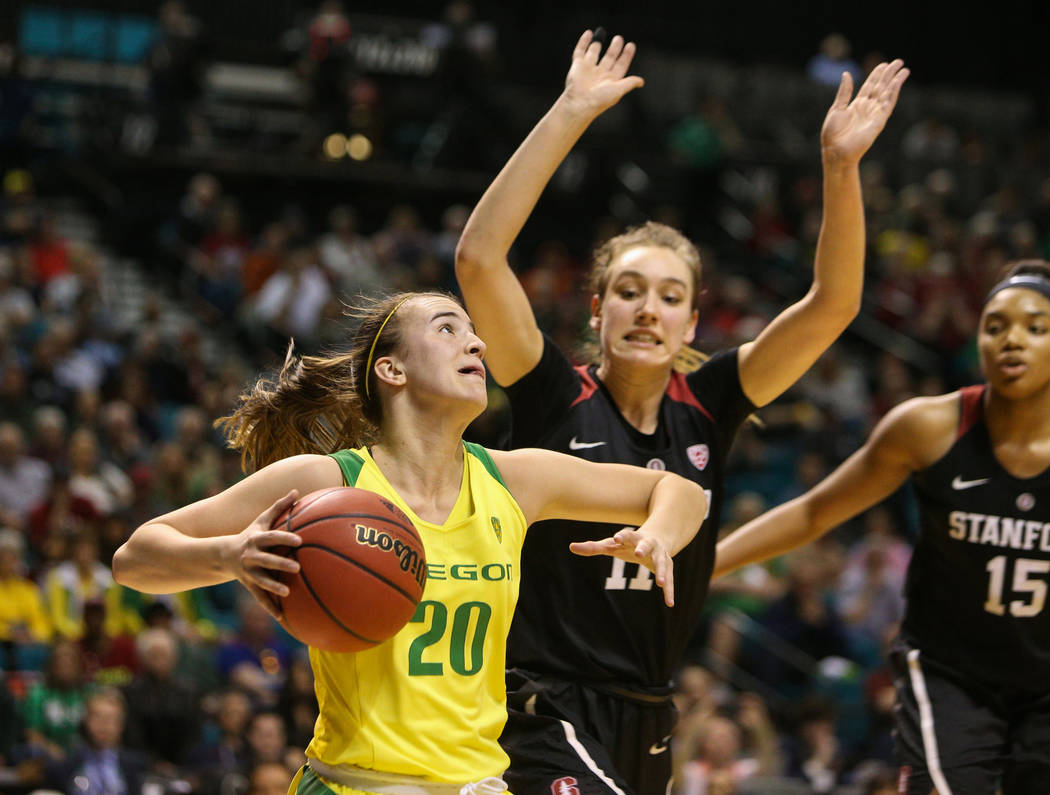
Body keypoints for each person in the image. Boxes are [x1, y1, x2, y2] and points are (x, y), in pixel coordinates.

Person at [453, 29, 907, 794]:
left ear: (693, 324)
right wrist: (568, 113)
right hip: (540, 701)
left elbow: (834, 305)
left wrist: (840, 166)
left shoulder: (711, 404)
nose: (647, 309)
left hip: (651, 708)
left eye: (670, 297)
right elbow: (477, 260)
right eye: (628, 290)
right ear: (596, 308)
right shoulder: (551, 391)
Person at [112, 291, 708, 793]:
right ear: (391, 370)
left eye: (475, 334)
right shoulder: (325, 485)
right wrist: (227, 554)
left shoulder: (515, 479)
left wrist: (656, 534)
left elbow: (682, 492)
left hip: (479, 784)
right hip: (356, 783)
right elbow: (134, 557)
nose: (475, 344)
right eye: (448, 329)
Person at [714, 261, 1050, 794]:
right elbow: (815, 511)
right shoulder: (928, 427)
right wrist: (706, 565)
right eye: (995, 326)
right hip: (951, 673)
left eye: (1036, 327)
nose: (1013, 340)